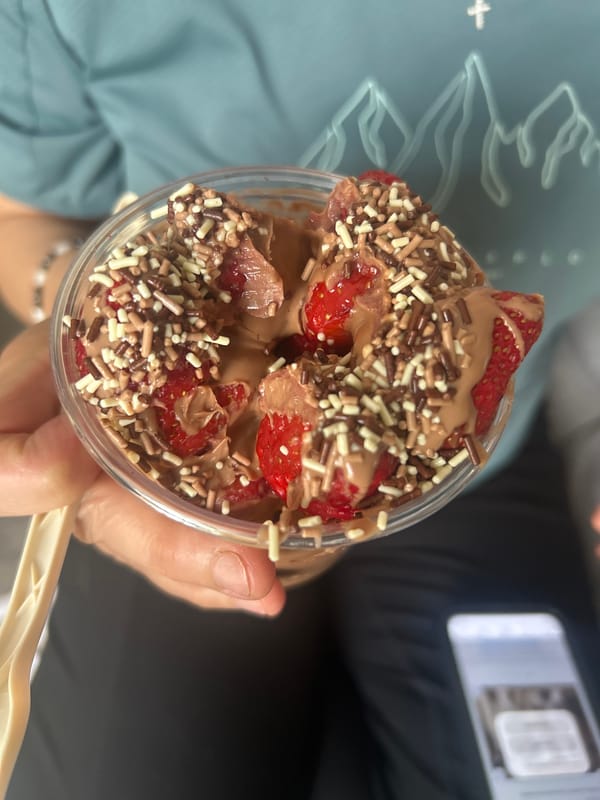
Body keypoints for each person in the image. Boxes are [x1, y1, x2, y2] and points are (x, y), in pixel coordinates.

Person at [0, 2, 599, 798]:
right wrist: (73, 314)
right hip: (170, 484)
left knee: (546, 784)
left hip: (485, 465)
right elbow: (19, 214)